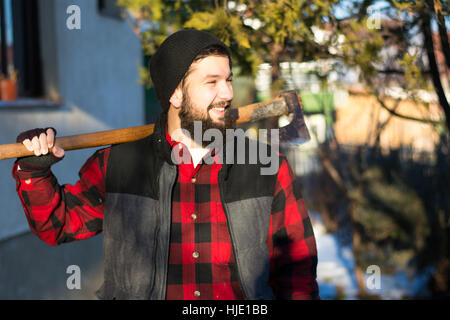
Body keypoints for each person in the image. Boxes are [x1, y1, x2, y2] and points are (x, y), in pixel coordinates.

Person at [12, 29, 319, 300]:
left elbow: (298, 274)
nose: (227, 93)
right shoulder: (120, 164)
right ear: (175, 93)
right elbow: (58, 224)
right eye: (212, 82)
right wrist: (33, 171)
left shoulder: (265, 166)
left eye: (228, 80)